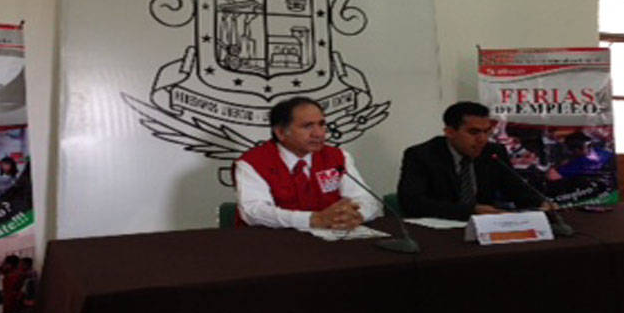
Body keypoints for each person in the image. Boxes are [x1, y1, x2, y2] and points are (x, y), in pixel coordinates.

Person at [234, 96, 381, 229]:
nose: (319, 133)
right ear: (281, 133)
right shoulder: (253, 163)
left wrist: (355, 215)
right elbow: (254, 212)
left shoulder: (338, 157)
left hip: (331, 239)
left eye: (321, 124)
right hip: (274, 242)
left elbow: (366, 199)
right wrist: (313, 219)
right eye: (308, 126)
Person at [397, 101, 551, 221]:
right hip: (440, 230)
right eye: (474, 132)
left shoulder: (493, 152)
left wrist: (540, 203)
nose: (482, 139)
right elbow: (412, 202)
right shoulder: (422, 155)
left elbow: (515, 189)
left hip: (485, 229)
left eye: (487, 132)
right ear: (450, 132)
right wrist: (470, 211)